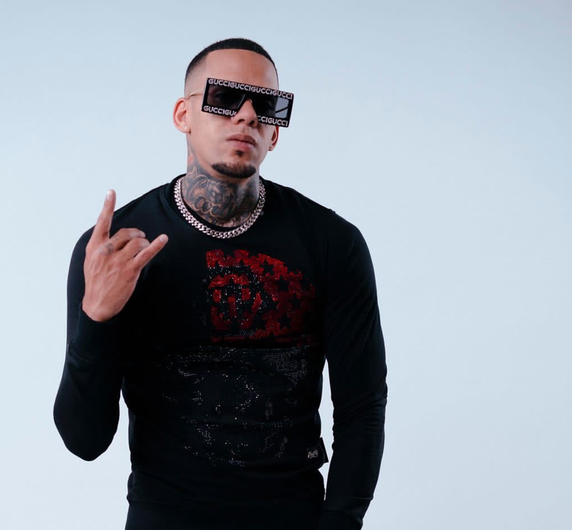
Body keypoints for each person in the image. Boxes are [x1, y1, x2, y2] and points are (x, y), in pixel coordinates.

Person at [53, 38, 387, 530]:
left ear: (275, 132)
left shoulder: (332, 242)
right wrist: (96, 317)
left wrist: (339, 522)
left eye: (266, 106)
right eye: (226, 98)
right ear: (183, 115)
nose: (247, 115)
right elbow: (85, 440)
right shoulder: (114, 250)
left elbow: (362, 407)